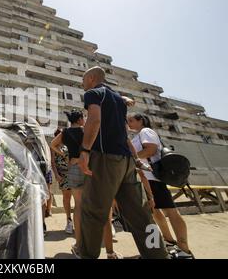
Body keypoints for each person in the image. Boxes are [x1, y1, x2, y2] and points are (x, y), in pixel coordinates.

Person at [70, 66, 168, 259]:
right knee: (141, 215)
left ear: (90, 78)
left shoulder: (93, 93)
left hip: (105, 160)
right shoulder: (117, 100)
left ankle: (85, 254)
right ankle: (158, 254)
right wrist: (135, 160)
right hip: (126, 161)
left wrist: (85, 150)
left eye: (83, 80)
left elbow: (94, 120)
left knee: (92, 211)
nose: (82, 85)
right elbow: (125, 135)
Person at [51, 110, 122, 259]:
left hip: (74, 168)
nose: (84, 119)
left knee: (78, 205)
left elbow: (53, 145)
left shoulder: (65, 132)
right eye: (83, 117)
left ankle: (78, 246)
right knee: (103, 206)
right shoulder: (88, 130)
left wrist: (65, 155)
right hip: (91, 168)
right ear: (79, 119)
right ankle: (110, 251)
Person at [128, 113, 194, 259]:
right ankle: (169, 241)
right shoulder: (137, 136)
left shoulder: (146, 132)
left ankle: (185, 251)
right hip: (146, 179)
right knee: (155, 213)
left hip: (153, 178)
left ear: (141, 121)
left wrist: (131, 159)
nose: (128, 123)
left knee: (171, 212)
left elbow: (150, 150)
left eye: (131, 120)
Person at [51, 128, 73, 234]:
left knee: (78, 198)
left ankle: (78, 221)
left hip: (73, 173)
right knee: (66, 197)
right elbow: (53, 163)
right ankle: (69, 220)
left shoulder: (68, 145)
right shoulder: (54, 147)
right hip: (63, 175)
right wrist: (56, 175)